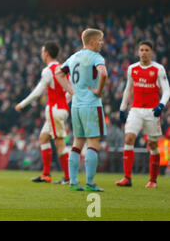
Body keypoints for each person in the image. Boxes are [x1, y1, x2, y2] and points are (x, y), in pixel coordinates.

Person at [56, 28, 108, 192]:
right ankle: (90, 183)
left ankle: (73, 182)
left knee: (77, 143)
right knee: (93, 143)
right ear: (92, 42)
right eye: (100, 40)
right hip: (91, 105)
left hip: (76, 106)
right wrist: (99, 91)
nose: (102, 43)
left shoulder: (74, 57)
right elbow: (104, 73)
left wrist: (71, 91)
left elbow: (59, 74)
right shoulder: (96, 57)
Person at [14, 41, 71, 184]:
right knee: (43, 138)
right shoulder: (63, 68)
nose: (41, 54)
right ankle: (46, 174)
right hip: (61, 109)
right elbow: (70, 90)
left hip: (54, 110)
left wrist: (22, 104)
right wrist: (64, 104)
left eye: (42, 52)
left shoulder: (48, 70)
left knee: (60, 144)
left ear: (46, 54)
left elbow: (37, 93)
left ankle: (69, 178)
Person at [116, 40, 169, 188]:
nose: (144, 52)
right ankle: (127, 178)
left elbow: (167, 90)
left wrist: (161, 105)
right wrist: (122, 108)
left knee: (152, 144)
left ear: (151, 52)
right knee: (129, 138)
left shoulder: (158, 69)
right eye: (142, 50)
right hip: (136, 110)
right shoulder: (132, 69)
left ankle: (153, 180)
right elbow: (128, 89)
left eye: (147, 50)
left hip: (152, 111)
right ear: (138, 52)